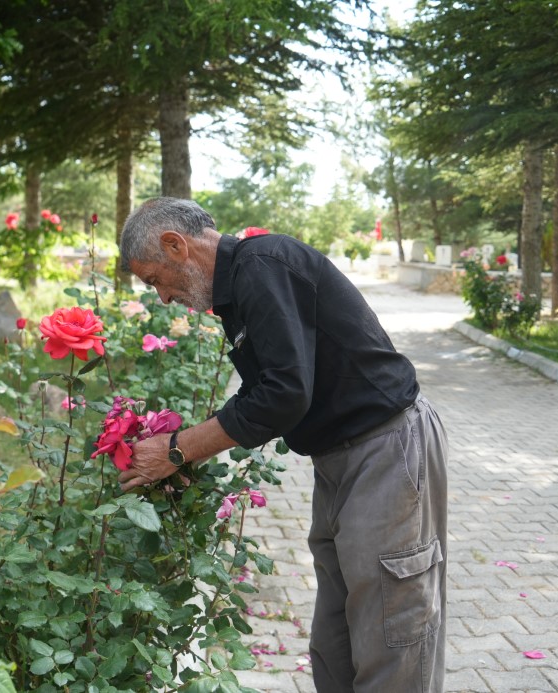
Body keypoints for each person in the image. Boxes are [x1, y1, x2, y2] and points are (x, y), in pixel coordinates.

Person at [117, 197, 448, 693]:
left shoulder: (262, 266)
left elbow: (284, 394)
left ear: (174, 245)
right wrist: (183, 446)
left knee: (392, 631)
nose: (162, 297)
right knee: (336, 642)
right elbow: (266, 389)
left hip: (385, 448)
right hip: (339, 459)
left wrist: (178, 449)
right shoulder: (238, 287)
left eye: (154, 280)